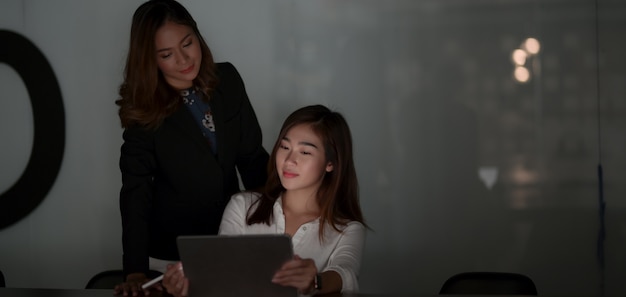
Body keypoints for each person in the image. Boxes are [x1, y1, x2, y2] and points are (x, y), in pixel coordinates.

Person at [113, 0, 269, 295]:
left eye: (188, 43)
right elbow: (136, 192)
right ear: (150, 59)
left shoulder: (228, 81)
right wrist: (135, 270)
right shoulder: (144, 110)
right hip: (171, 255)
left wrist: (283, 225)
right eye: (167, 54)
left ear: (198, 36)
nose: (184, 59)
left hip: (230, 243)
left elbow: (252, 160)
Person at [161, 104, 367, 296]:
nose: (289, 161)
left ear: (330, 163)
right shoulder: (243, 206)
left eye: (305, 152)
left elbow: (345, 273)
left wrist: (316, 281)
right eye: (285, 147)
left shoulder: (346, 229)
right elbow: (221, 275)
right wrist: (188, 287)